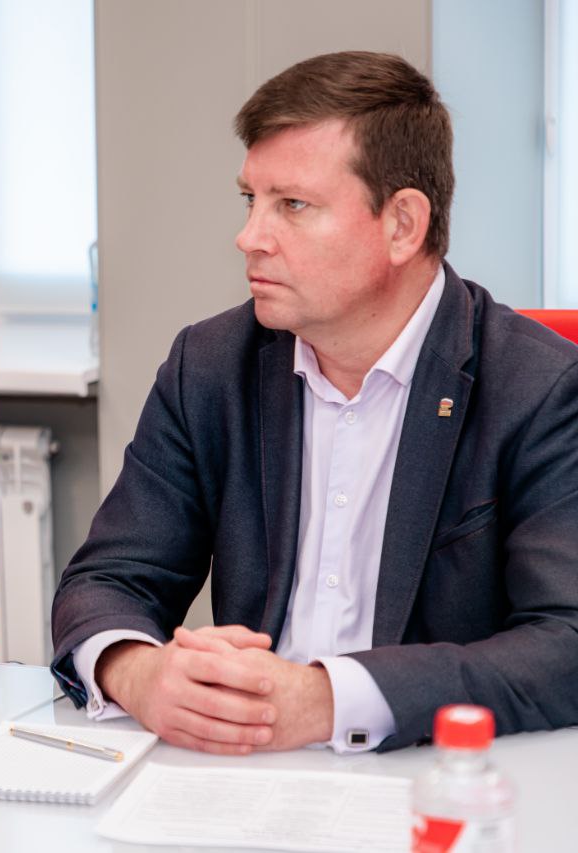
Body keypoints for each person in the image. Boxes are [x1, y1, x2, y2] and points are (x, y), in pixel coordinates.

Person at [51, 51, 578, 754]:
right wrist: (139, 672)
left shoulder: (539, 388)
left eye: (292, 205)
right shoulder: (210, 365)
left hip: (434, 771)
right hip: (241, 770)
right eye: (250, 199)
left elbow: (565, 642)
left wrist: (329, 699)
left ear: (403, 225)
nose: (249, 237)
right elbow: (107, 578)